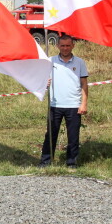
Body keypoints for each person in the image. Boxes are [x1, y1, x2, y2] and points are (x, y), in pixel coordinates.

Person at [38, 35, 88, 168]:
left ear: (73, 46)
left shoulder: (80, 62)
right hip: (55, 104)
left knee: (73, 137)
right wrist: (45, 83)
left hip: (73, 105)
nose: (65, 48)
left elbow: (84, 84)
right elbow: (42, 81)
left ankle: (71, 162)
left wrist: (83, 103)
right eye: (62, 46)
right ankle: (45, 161)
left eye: (68, 45)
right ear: (57, 46)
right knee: (51, 135)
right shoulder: (50, 61)